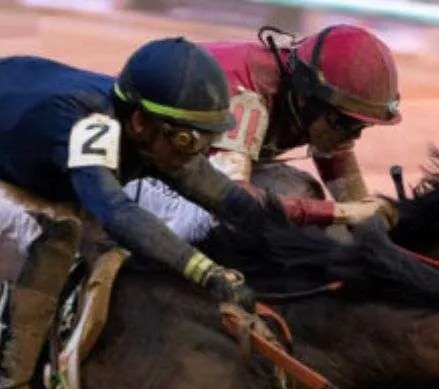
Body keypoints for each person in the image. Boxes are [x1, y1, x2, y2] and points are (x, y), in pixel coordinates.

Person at [0, 38, 266, 389]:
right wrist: (207, 272)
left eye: (207, 141)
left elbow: (220, 194)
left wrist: (288, 234)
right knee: (59, 236)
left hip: (19, 117)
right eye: (187, 140)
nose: (196, 153)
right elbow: (117, 213)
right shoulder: (90, 126)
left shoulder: (141, 123)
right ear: (140, 122)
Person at [128, 24, 401, 240]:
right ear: (307, 98)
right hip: (131, 170)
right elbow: (231, 201)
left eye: (361, 127)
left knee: (308, 204)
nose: (353, 137)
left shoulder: (309, 103)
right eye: (344, 124)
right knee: (290, 193)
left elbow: (359, 209)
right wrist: (342, 212)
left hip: (189, 166)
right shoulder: (249, 99)